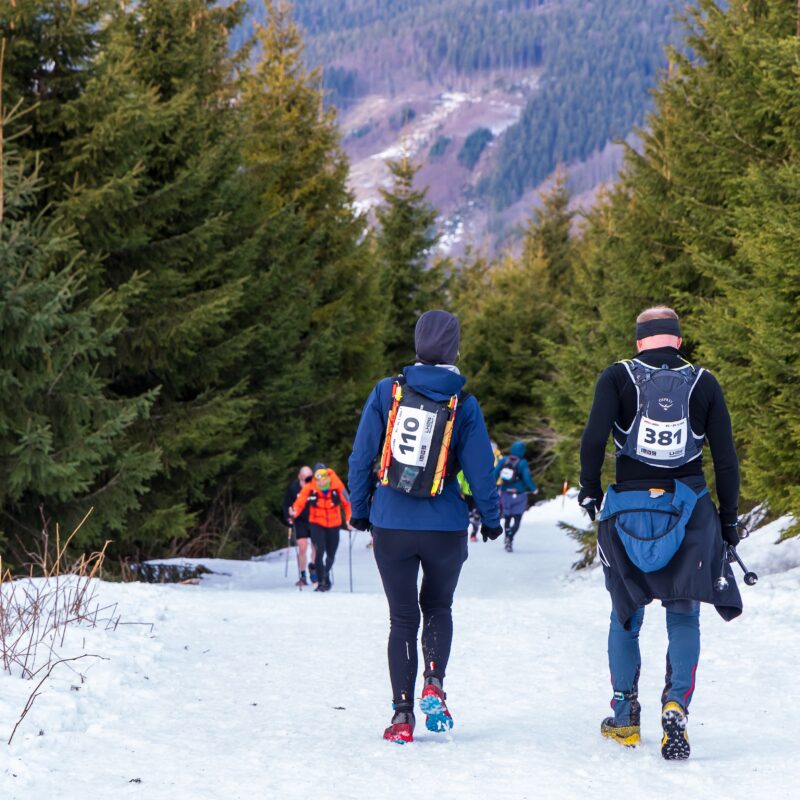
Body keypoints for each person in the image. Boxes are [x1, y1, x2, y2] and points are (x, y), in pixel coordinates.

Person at [579, 306, 742, 760]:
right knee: (684, 613)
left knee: (625, 613)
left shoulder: (616, 378)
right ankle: (676, 705)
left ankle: (625, 715)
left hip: (628, 511)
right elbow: (726, 460)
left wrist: (590, 492)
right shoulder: (704, 383)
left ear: (638, 343)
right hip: (688, 510)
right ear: (678, 341)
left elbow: (593, 439)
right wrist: (728, 521)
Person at [348, 309, 502, 744]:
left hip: (391, 523)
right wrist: (490, 519)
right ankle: (434, 681)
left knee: (401, 618)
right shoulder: (464, 404)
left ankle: (401, 714)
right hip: (445, 526)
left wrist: (360, 509)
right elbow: (481, 470)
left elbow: (361, 457)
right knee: (437, 607)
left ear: (417, 345)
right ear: (455, 349)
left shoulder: (387, 392)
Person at [290, 464, 352, 592]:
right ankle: (322, 582)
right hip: (317, 524)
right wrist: (294, 512)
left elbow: (347, 503)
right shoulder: (310, 487)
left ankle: (325, 573)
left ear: (328, 476)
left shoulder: (336, 485)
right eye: (318, 478)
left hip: (334, 524)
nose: (321, 481)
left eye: (323, 477)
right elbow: (300, 501)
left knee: (331, 555)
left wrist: (349, 519)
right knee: (319, 552)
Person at [493, 441, 538, 552]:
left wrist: (491, 487)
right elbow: (527, 478)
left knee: (507, 518)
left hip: (505, 494)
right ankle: (510, 537)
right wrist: (534, 489)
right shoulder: (523, 463)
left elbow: (495, 473)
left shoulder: (504, 460)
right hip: (519, 494)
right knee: (517, 520)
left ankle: (506, 536)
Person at [282, 466, 317, 586]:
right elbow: (287, 504)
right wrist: (288, 517)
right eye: (304, 479)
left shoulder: (316, 487)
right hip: (300, 522)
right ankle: (302, 576)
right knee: (302, 548)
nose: (306, 482)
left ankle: (314, 568)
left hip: (315, 520)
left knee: (316, 547)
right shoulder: (293, 488)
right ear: (299, 477)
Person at [456, 470, 481, 542]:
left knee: (476, 515)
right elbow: (459, 482)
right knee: (466, 515)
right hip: (466, 495)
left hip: (477, 496)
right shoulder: (463, 470)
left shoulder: (480, 469)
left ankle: (473, 534)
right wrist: (460, 493)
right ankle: (462, 533)